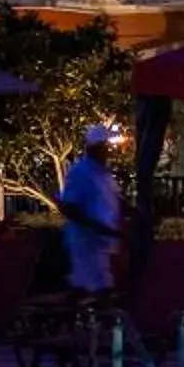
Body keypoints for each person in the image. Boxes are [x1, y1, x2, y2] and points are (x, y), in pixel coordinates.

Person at [59, 121, 124, 297]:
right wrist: (95, 226)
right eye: (105, 146)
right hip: (86, 242)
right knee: (95, 289)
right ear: (94, 148)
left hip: (101, 242)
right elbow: (69, 207)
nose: (108, 150)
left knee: (93, 288)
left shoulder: (104, 173)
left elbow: (114, 199)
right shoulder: (80, 172)